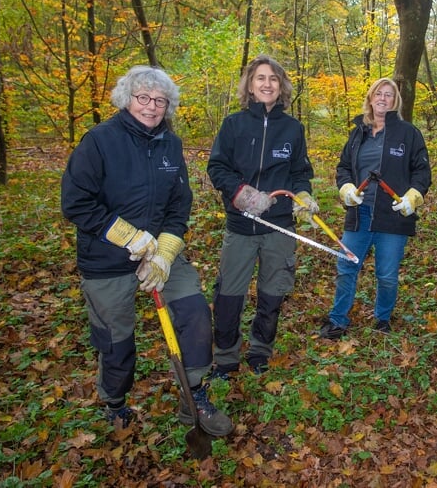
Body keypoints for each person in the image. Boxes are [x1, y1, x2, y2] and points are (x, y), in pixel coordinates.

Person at [61, 65, 233, 436]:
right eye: (143, 98)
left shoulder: (170, 143)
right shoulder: (99, 140)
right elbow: (75, 202)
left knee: (195, 313)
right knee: (116, 337)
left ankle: (195, 394)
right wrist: (127, 236)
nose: (152, 107)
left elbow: (179, 204)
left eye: (160, 101)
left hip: (158, 252)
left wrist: (166, 252)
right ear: (127, 99)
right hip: (106, 258)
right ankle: (115, 402)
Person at [207, 55, 316, 376]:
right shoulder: (233, 125)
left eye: (273, 79)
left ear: (281, 86)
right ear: (250, 86)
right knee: (229, 296)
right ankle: (226, 357)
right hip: (241, 226)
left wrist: (304, 195)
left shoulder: (293, 128)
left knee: (272, 293)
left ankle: (260, 352)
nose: (267, 84)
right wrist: (242, 193)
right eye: (260, 78)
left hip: (279, 228)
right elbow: (217, 168)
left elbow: (300, 173)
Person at [318, 77, 432, 340]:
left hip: (392, 216)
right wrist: (346, 188)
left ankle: (382, 320)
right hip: (359, 215)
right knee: (346, 267)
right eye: (378, 93)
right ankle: (338, 320)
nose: (383, 98)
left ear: (395, 102)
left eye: (389, 95)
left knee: (387, 274)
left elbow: (422, 172)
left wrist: (412, 198)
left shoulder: (408, 133)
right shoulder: (358, 132)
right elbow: (343, 166)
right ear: (370, 98)